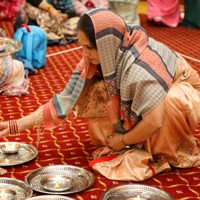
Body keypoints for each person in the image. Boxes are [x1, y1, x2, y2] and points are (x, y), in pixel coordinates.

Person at [1, 8, 200, 181]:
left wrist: (123, 141)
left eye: (89, 47)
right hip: (148, 92)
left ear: (105, 44)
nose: (84, 54)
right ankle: (139, 137)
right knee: (100, 91)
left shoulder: (139, 68)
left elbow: (155, 121)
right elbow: (64, 102)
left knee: (168, 101)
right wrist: (14, 126)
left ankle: (166, 148)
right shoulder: (102, 56)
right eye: (82, 46)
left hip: (183, 92)